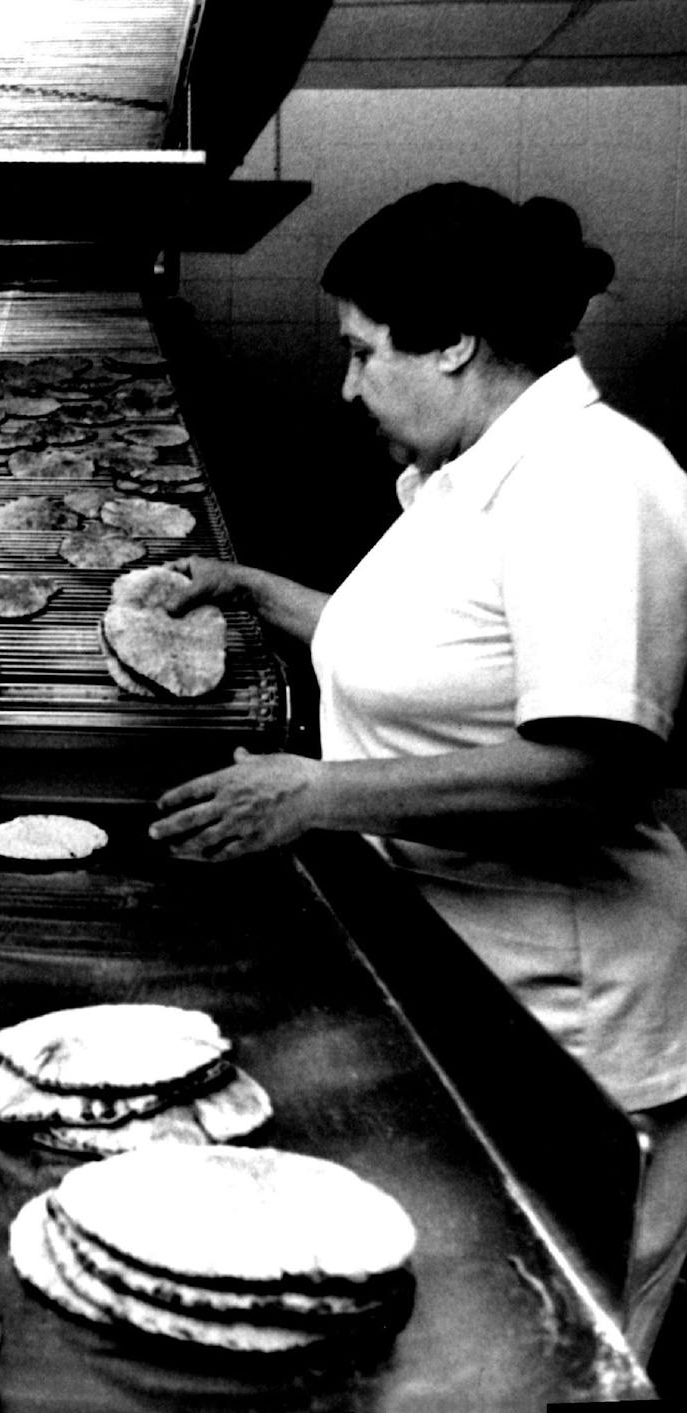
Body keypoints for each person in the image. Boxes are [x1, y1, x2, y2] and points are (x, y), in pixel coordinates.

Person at [148, 182, 687, 1360]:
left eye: (359, 350)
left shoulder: (591, 482)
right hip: (464, 991)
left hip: (570, 1039)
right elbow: (432, 660)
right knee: (444, 1339)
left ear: (451, 343)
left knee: (538, 1359)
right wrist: (255, 592)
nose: (345, 386)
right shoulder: (472, 470)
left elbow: (588, 766)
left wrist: (311, 795)